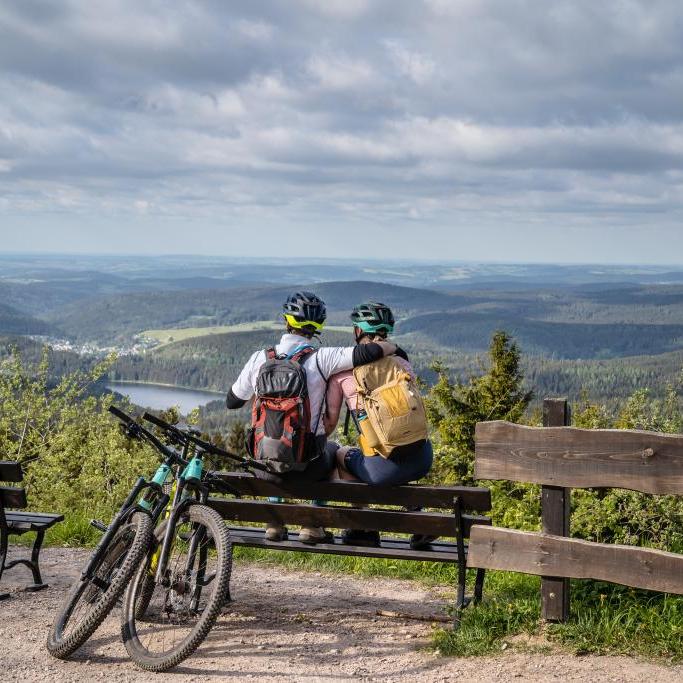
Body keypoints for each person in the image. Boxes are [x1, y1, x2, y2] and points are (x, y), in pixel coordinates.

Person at [226, 291, 398, 544]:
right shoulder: (323, 358)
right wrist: (394, 347)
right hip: (308, 467)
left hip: (265, 468)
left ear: (287, 320)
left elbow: (232, 401)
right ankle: (312, 524)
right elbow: (367, 353)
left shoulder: (259, 358)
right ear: (319, 326)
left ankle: (275, 521)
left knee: (273, 449)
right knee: (333, 450)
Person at [324, 301, 433, 547]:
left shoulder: (344, 373)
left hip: (381, 470)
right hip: (422, 457)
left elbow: (329, 424)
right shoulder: (402, 363)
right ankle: (418, 518)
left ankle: (363, 527)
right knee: (398, 444)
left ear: (358, 331)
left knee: (341, 453)